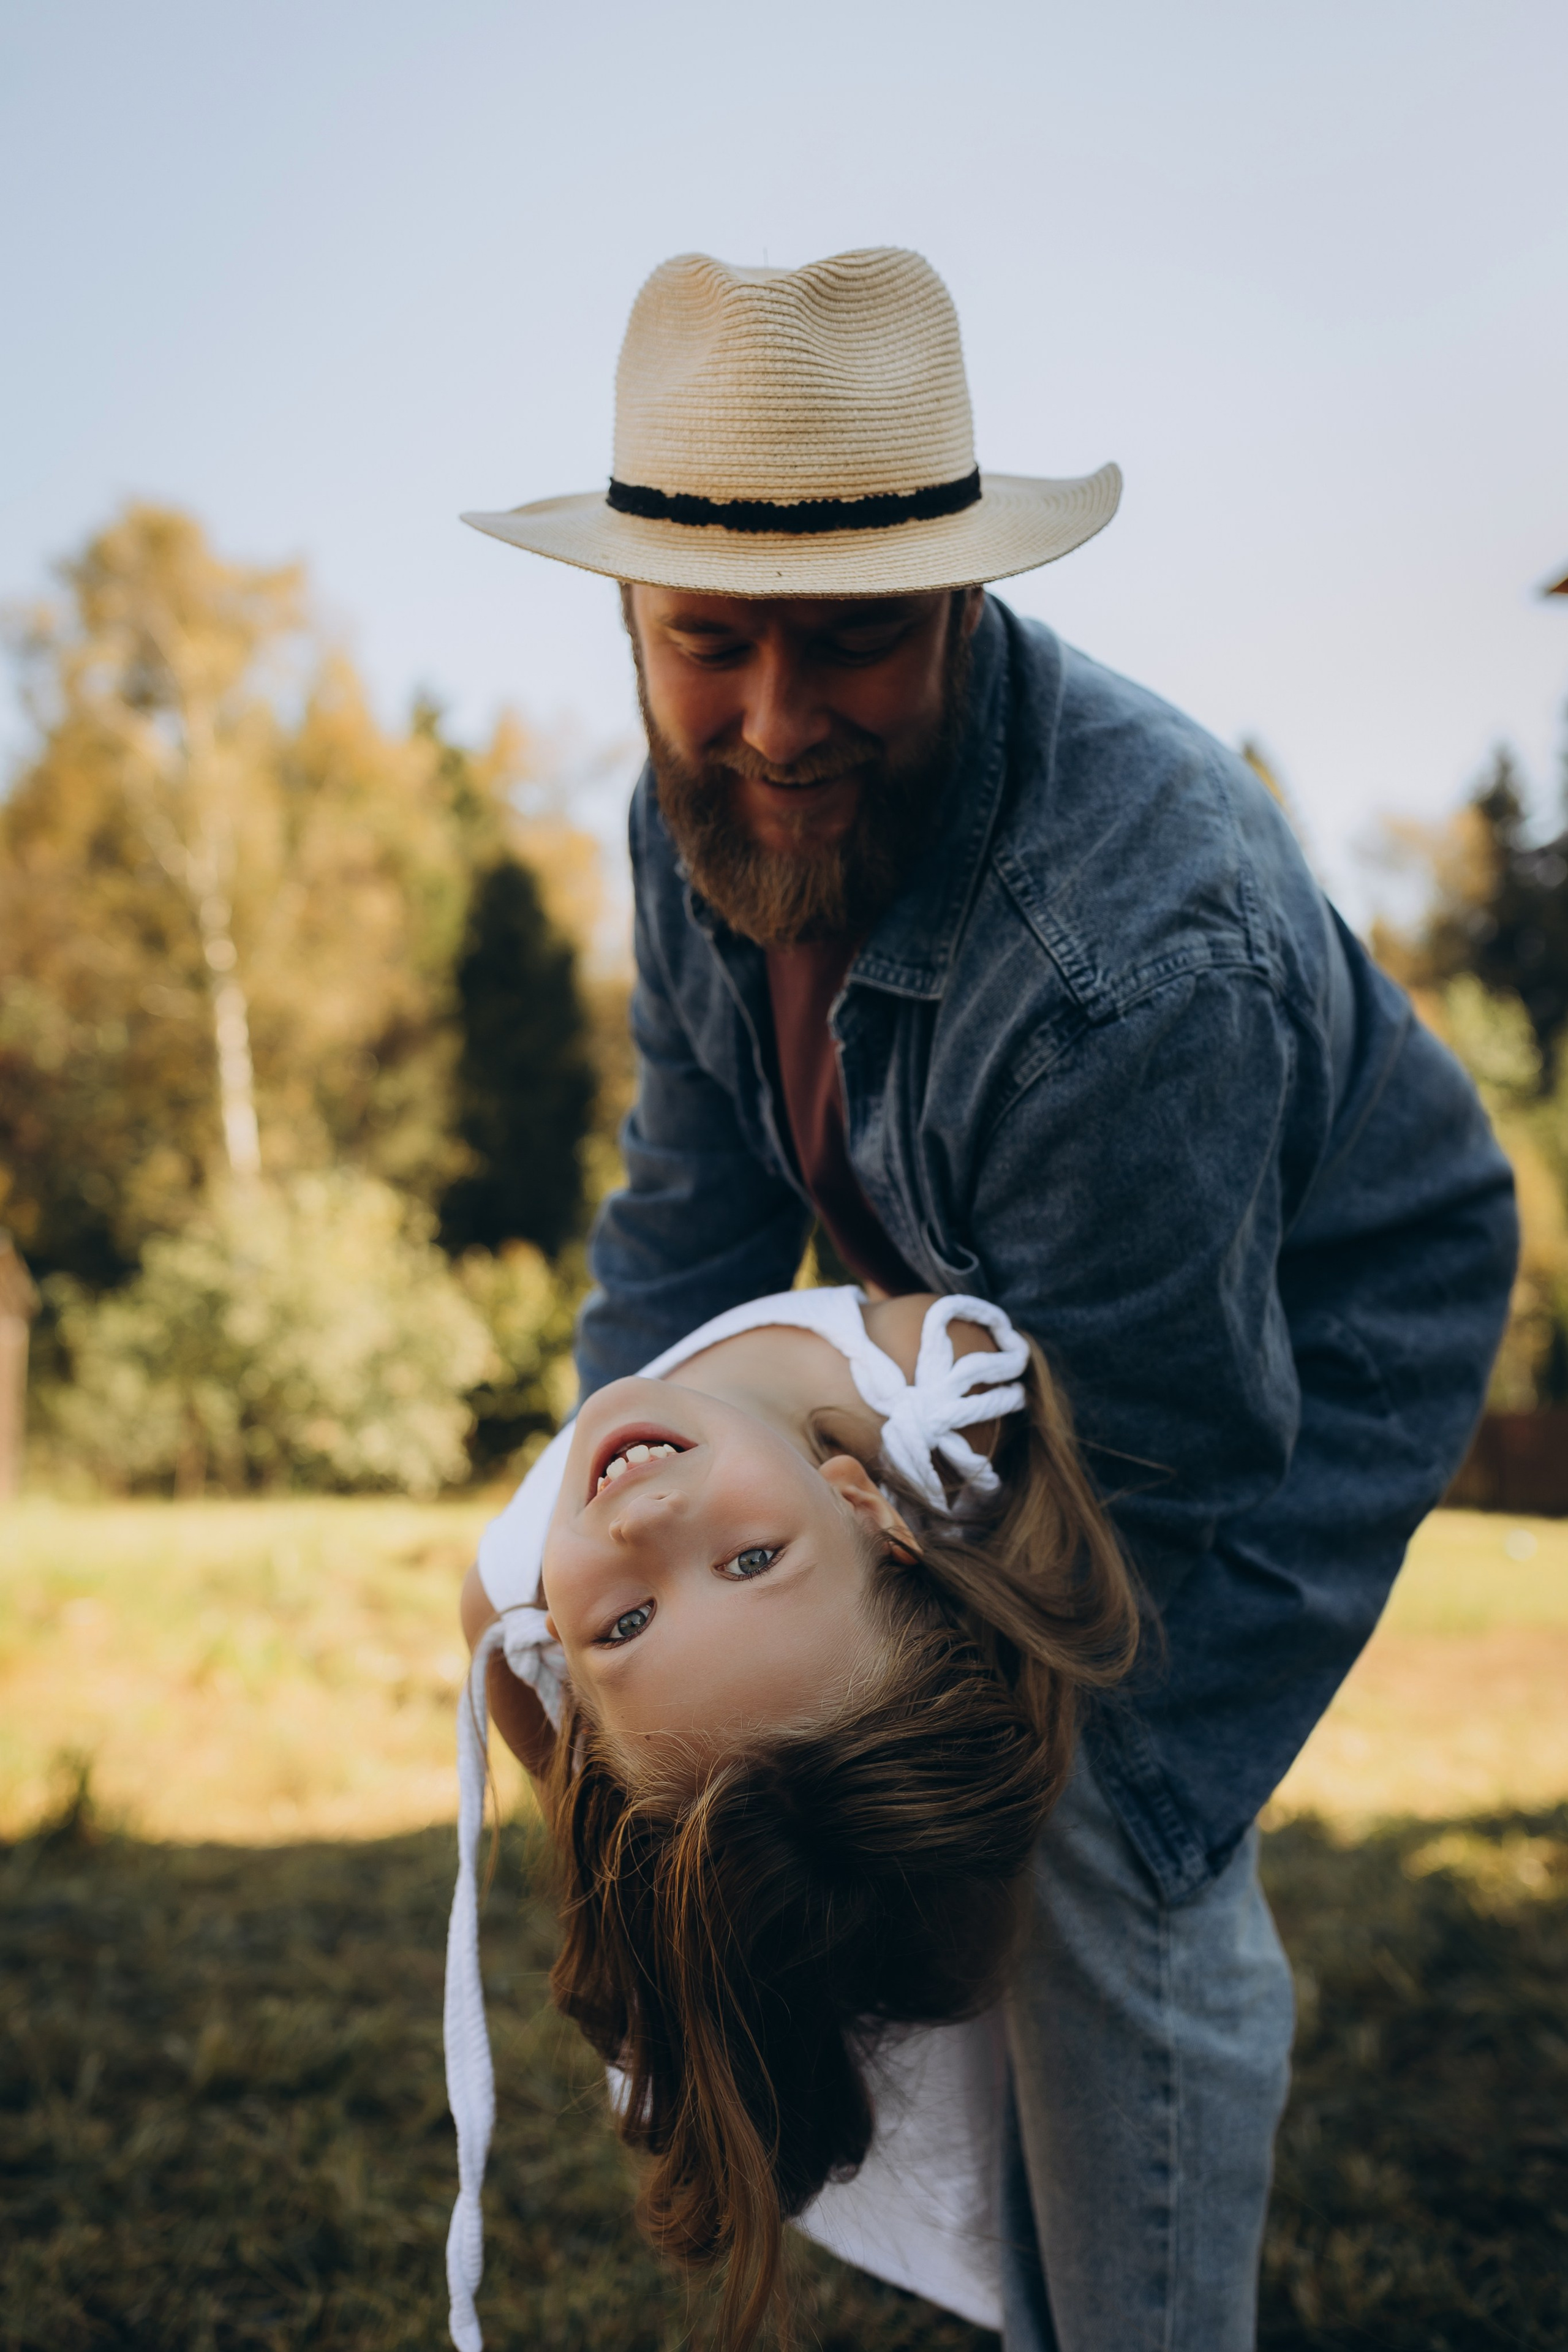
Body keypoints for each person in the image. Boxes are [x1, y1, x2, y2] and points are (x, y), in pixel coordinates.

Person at [456, 249, 1518, 2351]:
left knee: (1105, 1822)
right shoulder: (684, 818)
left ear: (960, 601)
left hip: (1279, 1335)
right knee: (816, 1764)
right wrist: (584, 1555)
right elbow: (687, 1208)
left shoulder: (1139, 958)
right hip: (974, 1311)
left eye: (851, 648)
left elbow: (1161, 1443)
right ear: (630, 620)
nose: (774, 724)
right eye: (708, 646)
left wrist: (878, 1635)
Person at [445, 1284, 1137, 2352]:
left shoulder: (509, 1603)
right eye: (754, 1560)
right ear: (865, 1505)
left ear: (575, 1693)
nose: (641, 1520)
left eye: (626, 1625)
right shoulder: (935, 1383)